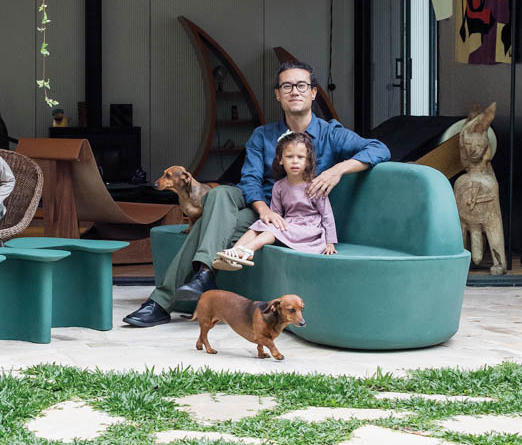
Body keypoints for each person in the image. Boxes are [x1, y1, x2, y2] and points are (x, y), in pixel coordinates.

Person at [122, 60, 388, 327]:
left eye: (301, 85)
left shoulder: (331, 134)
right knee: (219, 194)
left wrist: (338, 170)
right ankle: (201, 275)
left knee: (205, 224)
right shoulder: (262, 135)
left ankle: (166, 298)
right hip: (260, 205)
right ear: (277, 94)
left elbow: (380, 149)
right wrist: (264, 210)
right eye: (287, 86)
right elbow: (249, 180)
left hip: (294, 216)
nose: (294, 91)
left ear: (314, 92)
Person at [212, 130, 336, 270]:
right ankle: (233, 253)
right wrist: (268, 223)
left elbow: (327, 215)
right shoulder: (279, 186)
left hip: (308, 229)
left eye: (300, 157)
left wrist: (330, 242)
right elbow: (275, 214)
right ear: (281, 160)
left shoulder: (314, 186)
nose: (295, 161)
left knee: (271, 231)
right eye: (289, 156)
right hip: (288, 224)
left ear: (307, 161)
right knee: (260, 225)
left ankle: (247, 250)